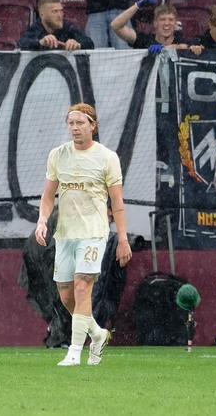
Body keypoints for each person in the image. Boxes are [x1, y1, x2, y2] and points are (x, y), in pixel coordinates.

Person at [35, 103, 132, 366]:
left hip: (94, 233)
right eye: (71, 123)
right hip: (65, 233)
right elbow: (48, 195)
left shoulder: (107, 157)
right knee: (66, 295)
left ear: (93, 125)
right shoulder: (58, 155)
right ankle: (97, 333)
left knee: (82, 288)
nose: (75, 128)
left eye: (80, 123)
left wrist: (122, 238)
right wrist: (42, 220)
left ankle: (75, 351)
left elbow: (117, 203)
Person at [19, 0, 95, 51]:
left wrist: (77, 44)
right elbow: (23, 44)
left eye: (61, 11)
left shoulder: (67, 26)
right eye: (55, 11)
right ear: (42, 15)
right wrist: (40, 43)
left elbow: (89, 43)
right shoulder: (36, 29)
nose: (60, 15)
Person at [110, 0, 188, 51]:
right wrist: (137, 6)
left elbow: (187, 47)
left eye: (171, 20)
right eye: (162, 19)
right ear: (155, 23)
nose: (167, 23)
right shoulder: (144, 40)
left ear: (175, 23)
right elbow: (115, 25)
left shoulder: (181, 41)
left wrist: (164, 48)